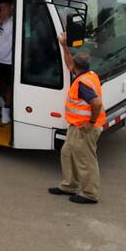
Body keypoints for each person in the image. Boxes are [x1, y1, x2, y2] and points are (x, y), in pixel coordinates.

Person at [48, 34, 105, 204]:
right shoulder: (89, 74)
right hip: (76, 127)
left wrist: (91, 123)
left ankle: (89, 194)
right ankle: (69, 185)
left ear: (77, 68)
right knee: (67, 153)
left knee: (85, 160)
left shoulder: (82, 83)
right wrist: (64, 46)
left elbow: (96, 103)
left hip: (85, 128)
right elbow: (70, 63)